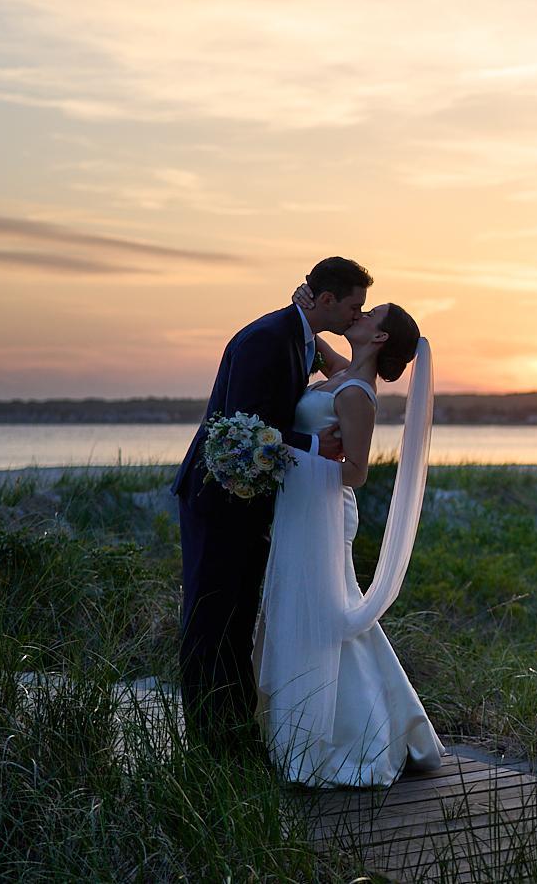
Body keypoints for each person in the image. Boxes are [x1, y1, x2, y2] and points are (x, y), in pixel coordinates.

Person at [172, 257, 367, 754]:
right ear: (327, 300)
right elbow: (242, 425)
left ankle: (233, 733)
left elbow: (348, 374)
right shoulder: (268, 338)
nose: (356, 316)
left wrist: (320, 333)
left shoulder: (302, 338)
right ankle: (206, 741)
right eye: (353, 306)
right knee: (210, 619)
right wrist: (312, 444)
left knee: (237, 622)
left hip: (251, 499)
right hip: (218, 496)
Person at [258, 297, 444, 786]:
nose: (359, 315)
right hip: (302, 507)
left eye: (370, 314)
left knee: (325, 610)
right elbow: (315, 341)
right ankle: (365, 718)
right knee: (312, 608)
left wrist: (296, 459)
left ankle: (354, 736)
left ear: (379, 337)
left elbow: (356, 472)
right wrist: (303, 305)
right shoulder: (344, 373)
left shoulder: (358, 393)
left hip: (324, 511)